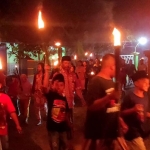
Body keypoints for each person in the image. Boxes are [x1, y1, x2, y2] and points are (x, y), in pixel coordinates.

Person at [83, 54, 126, 150]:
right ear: (112, 66)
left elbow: (113, 107)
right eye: (118, 67)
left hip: (111, 132)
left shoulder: (111, 81)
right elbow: (91, 106)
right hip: (98, 133)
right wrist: (109, 97)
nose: (119, 70)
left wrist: (120, 121)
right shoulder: (96, 81)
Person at [121, 71, 150, 150]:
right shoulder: (129, 97)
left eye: (149, 83)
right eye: (145, 82)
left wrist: (147, 114)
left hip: (142, 130)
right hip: (132, 131)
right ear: (136, 83)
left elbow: (144, 112)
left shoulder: (146, 96)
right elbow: (121, 113)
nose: (148, 85)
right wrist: (133, 109)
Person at [46, 73, 70, 150]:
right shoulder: (51, 95)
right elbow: (44, 88)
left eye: (61, 85)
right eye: (57, 85)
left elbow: (66, 112)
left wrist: (69, 124)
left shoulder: (64, 98)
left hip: (63, 127)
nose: (59, 87)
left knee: (65, 144)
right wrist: (47, 72)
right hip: (53, 127)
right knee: (55, 146)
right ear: (54, 85)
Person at [0, 77, 22, 150]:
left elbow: (12, 112)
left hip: (2, 129)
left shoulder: (5, 98)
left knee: (5, 147)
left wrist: (17, 125)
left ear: (0, 85)